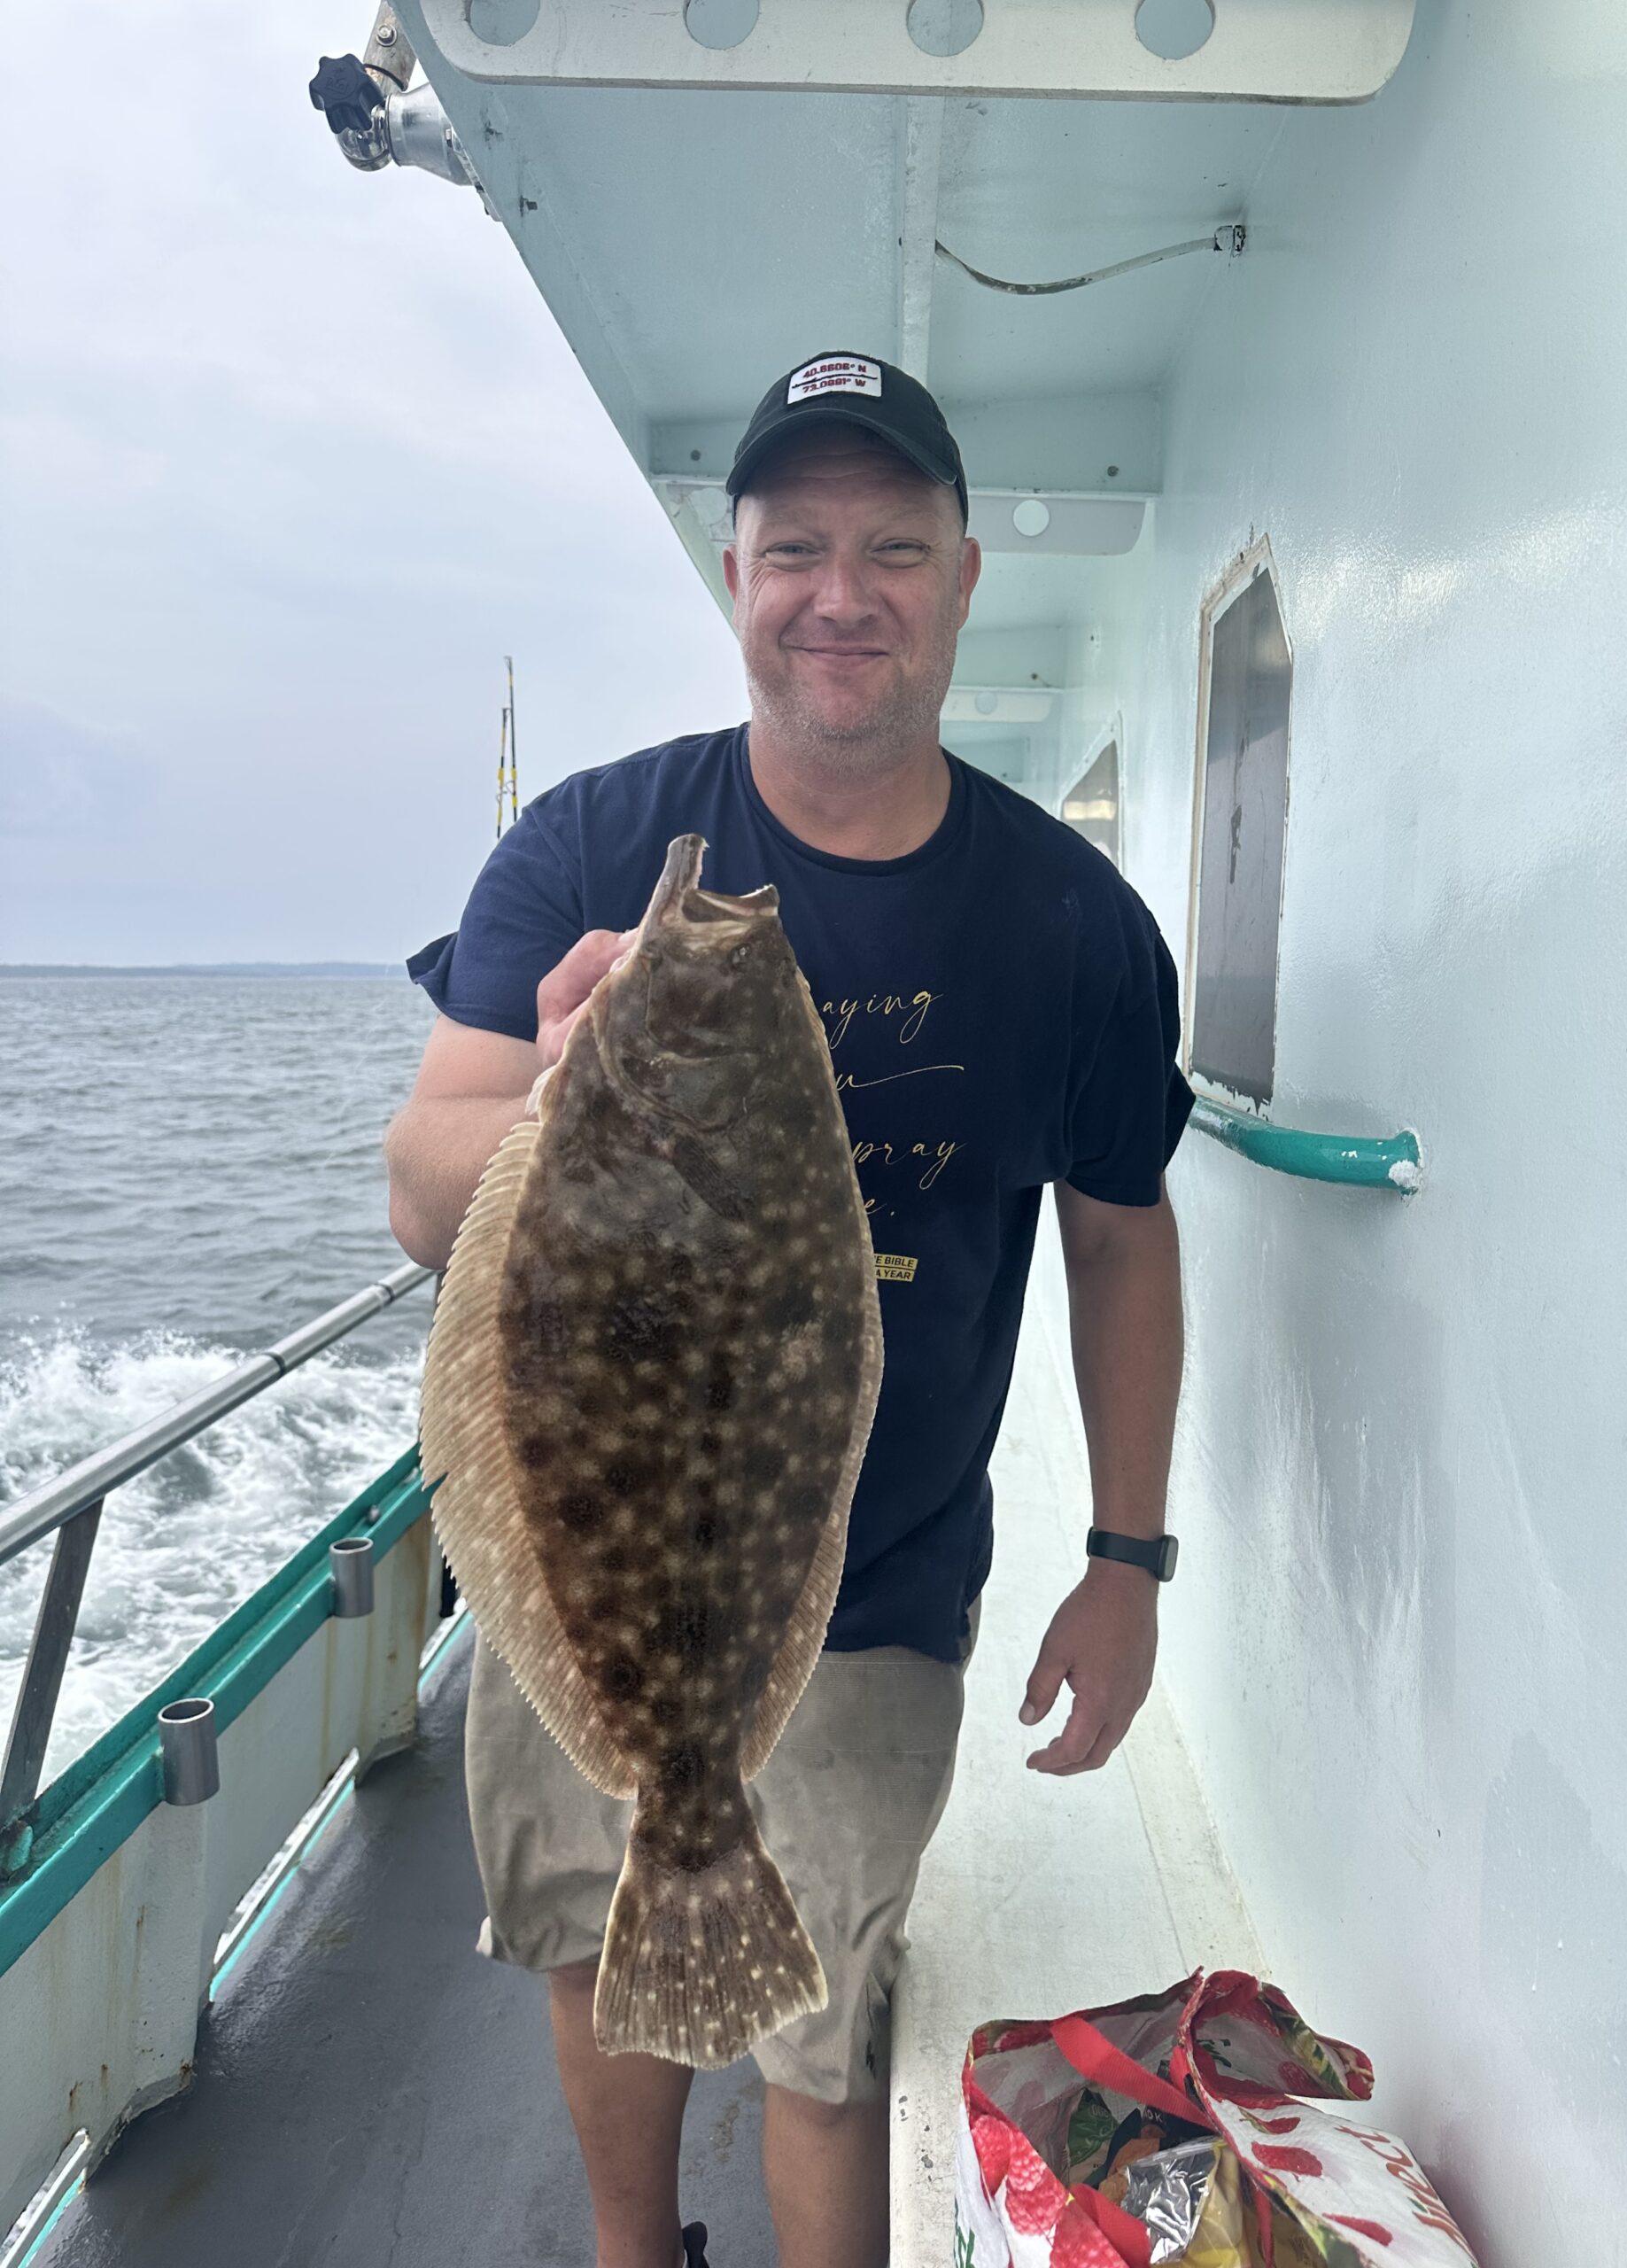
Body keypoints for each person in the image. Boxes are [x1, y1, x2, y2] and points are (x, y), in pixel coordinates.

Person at [385, 351, 1192, 2268]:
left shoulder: (1072, 923)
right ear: (735, 570)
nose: (845, 589)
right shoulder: (594, 846)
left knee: (828, 2019)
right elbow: (426, 1186)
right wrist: (565, 1098)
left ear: (968, 575)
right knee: (594, 1935)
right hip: (590, 1551)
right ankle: (628, 2245)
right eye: (798, 546)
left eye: (894, 545)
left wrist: (1129, 1555)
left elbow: (1122, 1238)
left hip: (880, 1574)